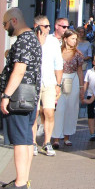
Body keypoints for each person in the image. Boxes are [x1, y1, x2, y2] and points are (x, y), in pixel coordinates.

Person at [0, 7, 42, 189]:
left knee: (20, 140)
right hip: (30, 96)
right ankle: (22, 178)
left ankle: (20, 182)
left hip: (19, 97)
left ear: (14, 21)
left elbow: (19, 70)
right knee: (25, 139)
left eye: (5, 24)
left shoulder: (23, 41)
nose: (5, 28)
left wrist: (6, 95)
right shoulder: (33, 38)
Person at [32, 15, 63, 156]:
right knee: (34, 113)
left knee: (49, 112)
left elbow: (58, 64)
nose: (48, 28)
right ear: (36, 26)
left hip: (49, 81)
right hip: (33, 82)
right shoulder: (31, 40)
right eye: (45, 26)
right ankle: (32, 142)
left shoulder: (53, 42)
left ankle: (47, 142)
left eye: (49, 26)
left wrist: (58, 83)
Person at [52, 29, 85, 148]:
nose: (75, 41)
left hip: (73, 79)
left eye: (76, 39)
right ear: (65, 39)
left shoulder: (78, 54)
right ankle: (56, 137)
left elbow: (80, 71)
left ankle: (67, 136)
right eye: (72, 38)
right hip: (60, 79)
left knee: (71, 108)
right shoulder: (58, 51)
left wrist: (82, 87)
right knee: (59, 108)